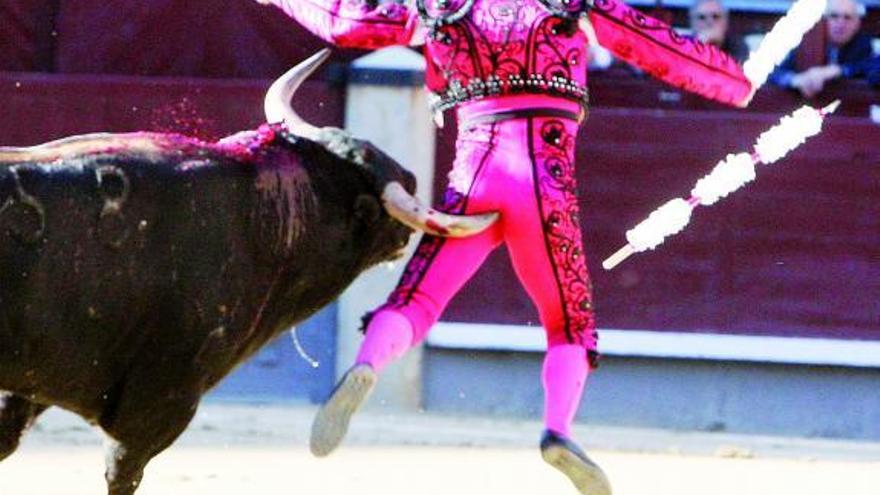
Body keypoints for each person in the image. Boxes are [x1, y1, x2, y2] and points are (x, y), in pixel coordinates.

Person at [255, 0, 753, 493]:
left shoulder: (444, 5)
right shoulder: (569, 3)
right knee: (569, 324)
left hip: (475, 176)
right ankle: (557, 430)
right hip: (544, 181)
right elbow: (660, 47)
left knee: (418, 298)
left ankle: (366, 365)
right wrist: (737, 84)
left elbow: (351, 21)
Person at [770, 0, 876, 98]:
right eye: (834, 16)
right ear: (824, 21)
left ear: (857, 24)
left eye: (847, 17)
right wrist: (795, 80)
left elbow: (867, 67)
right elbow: (772, 72)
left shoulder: (864, 44)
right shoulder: (806, 42)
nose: (840, 23)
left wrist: (836, 71)